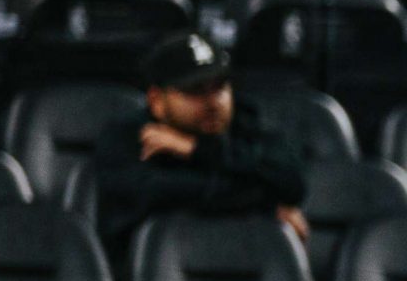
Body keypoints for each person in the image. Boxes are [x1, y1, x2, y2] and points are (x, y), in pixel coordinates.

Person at [93, 32, 310, 259]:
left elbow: (292, 180)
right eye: (195, 90)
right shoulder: (128, 138)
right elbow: (165, 194)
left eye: (220, 86)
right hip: (151, 269)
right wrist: (265, 201)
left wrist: (198, 148)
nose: (214, 102)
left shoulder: (244, 124)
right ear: (157, 100)